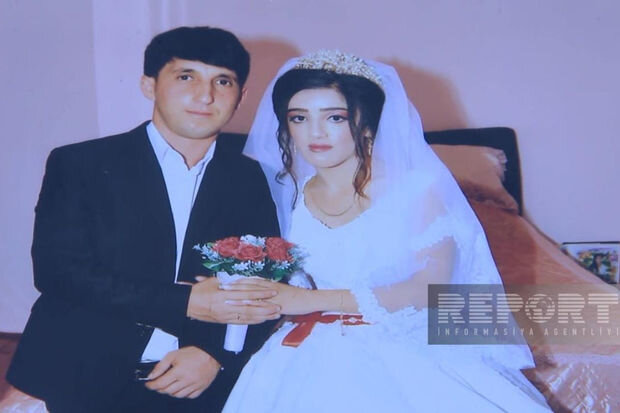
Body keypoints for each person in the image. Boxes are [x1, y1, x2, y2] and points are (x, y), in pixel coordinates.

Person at [222, 51, 551, 412]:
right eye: (299, 118)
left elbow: (431, 290)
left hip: (407, 354)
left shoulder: (416, 190)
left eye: (335, 117)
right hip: (300, 353)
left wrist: (312, 301)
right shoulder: (290, 193)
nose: (315, 132)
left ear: (367, 122)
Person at [6, 26, 281, 413]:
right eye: (186, 77)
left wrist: (216, 355)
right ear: (149, 85)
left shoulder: (254, 177)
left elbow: (269, 281)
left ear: (242, 97)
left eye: (223, 81)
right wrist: (186, 302)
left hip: (198, 385)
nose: (205, 95)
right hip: (77, 375)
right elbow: (58, 272)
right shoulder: (81, 163)